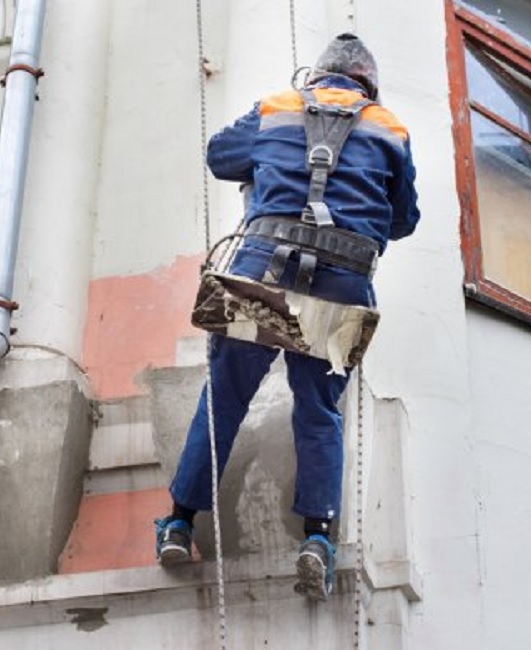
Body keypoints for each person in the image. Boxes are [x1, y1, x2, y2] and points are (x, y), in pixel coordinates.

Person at [154, 33, 420, 601]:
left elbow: (220, 156)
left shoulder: (277, 106)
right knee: (319, 411)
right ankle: (317, 539)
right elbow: (403, 220)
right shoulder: (391, 128)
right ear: (368, 86)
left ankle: (178, 523)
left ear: (316, 76)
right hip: (342, 283)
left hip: (263, 272)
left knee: (224, 399)